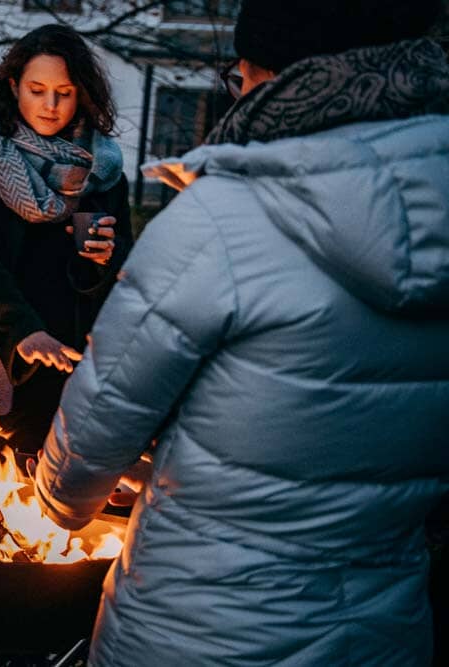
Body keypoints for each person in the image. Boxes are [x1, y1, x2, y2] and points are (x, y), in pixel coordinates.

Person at [33, 1, 449, 664]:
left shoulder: (221, 217)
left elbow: (93, 431)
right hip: (380, 630)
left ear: (275, 79)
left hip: (198, 628)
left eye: (240, 78)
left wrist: (60, 500)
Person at [0, 24, 133, 459]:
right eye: (37, 90)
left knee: (45, 497)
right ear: (13, 86)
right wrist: (23, 330)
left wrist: (102, 261)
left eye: (64, 91)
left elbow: (117, 279)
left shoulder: (105, 173)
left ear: (82, 93)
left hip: (69, 356)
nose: (51, 105)